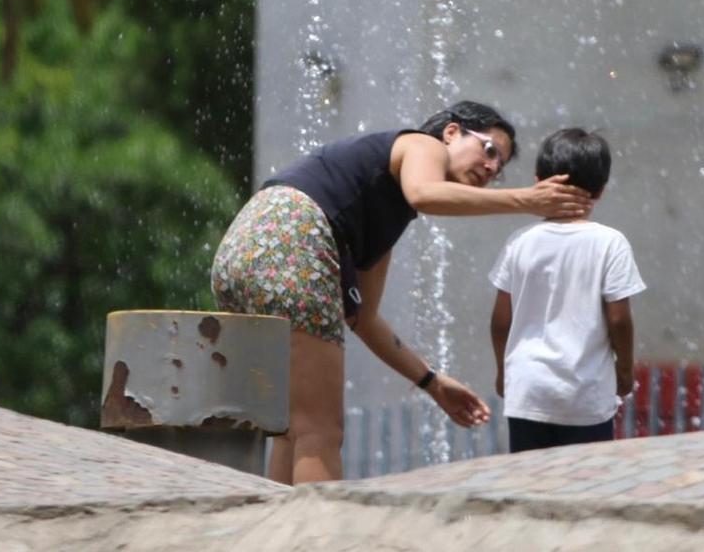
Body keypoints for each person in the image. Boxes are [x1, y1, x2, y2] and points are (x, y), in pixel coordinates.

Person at [210, 101, 592, 484]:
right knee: (321, 431)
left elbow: (365, 318)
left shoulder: (384, 210)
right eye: (490, 150)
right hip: (292, 243)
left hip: (243, 252)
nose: (492, 168)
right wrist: (525, 199)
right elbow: (425, 193)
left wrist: (432, 382)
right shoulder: (422, 144)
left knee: (292, 431)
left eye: (500, 167)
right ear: (452, 133)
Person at [488, 128, 645, 453]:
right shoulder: (610, 243)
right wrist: (625, 370)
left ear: (538, 180)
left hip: (529, 389)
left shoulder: (520, 241)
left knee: (529, 486)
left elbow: (501, 319)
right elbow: (619, 319)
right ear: (601, 189)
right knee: (583, 489)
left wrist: (504, 371)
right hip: (584, 394)